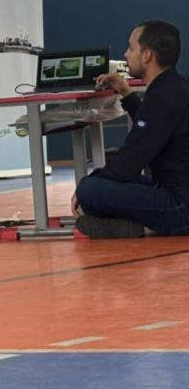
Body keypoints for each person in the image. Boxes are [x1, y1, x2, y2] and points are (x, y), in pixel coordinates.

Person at [72, 19, 189, 238]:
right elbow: (154, 126)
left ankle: (141, 226)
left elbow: (130, 161)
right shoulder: (176, 87)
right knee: (119, 182)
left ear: (147, 56)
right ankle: (135, 224)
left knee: (90, 190)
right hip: (176, 188)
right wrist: (126, 93)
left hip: (179, 207)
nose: (126, 54)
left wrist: (90, 182)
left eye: (131, 48)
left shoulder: (162, 97)